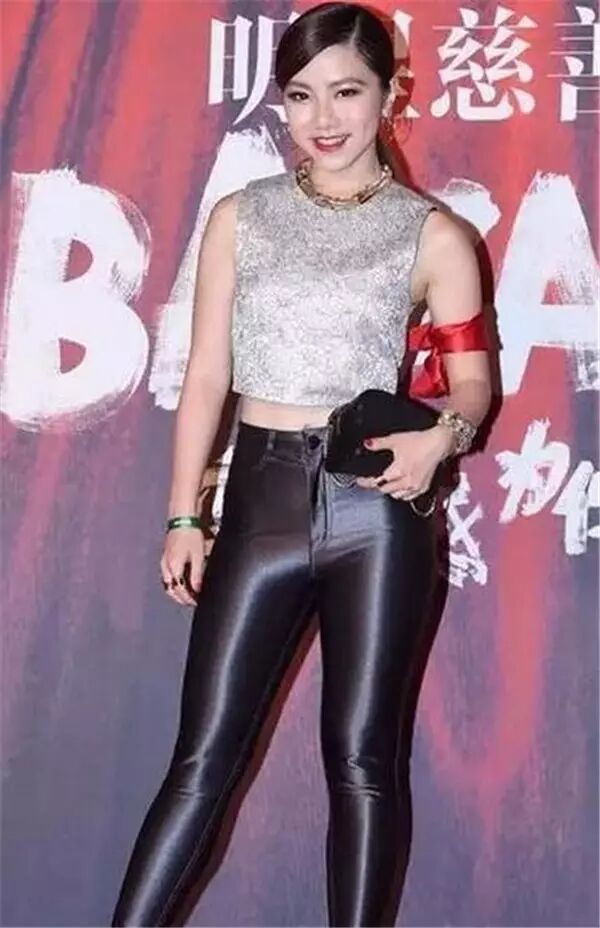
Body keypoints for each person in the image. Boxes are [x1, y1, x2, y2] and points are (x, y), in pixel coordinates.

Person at [111, 2, 492, 925]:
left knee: (364, 764)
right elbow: (207, 376)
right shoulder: (241, 218)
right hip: (263, 500)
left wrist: (442, 437)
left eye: (347, 92)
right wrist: (183, 513)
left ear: (392, 94)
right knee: (201, 762)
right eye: (301, 95)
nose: (323, 118)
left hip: (378, 513)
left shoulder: (435, 234)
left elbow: (474, 384)